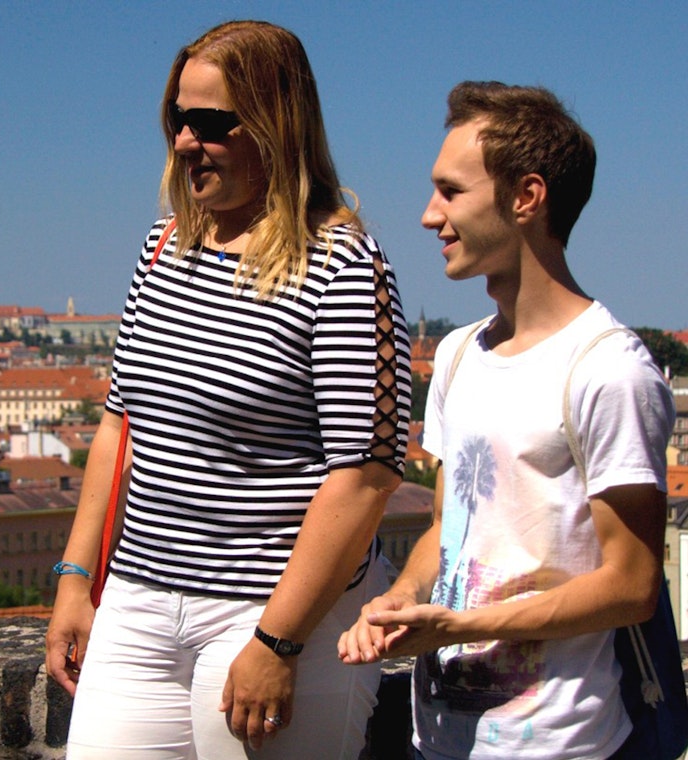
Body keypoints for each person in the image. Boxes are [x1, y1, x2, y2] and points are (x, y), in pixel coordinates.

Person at [45, 20, 412, 759]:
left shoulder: (341, 265)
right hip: (140, 602)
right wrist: (76, 582)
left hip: (269, 612)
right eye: (178, 120)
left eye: (210, 124)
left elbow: (366, 476)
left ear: (277, 125)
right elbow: (120, 426)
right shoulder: (164, 243)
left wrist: (278, 641)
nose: (185, 142)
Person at [337, 81, 675, 759]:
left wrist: (458, 626)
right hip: (439, 736)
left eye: (451, 191)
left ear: (526, 197)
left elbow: (632, 585)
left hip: (558, 742)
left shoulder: (609, 369)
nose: (430, 216)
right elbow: (446, 528)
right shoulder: (460, 353)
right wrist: (401, 599)